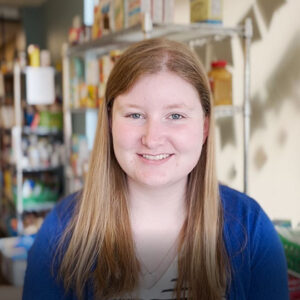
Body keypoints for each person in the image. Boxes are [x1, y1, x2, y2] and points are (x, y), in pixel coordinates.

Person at [23, 38, 289, 300]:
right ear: (109, 123)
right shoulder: (60, 233)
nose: (152, 138)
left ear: (205, 126)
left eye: (175, 116)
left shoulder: (252, 232)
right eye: (135, 115)